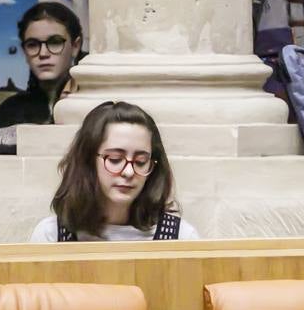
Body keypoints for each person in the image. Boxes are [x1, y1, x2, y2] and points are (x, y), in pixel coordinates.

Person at [29, 102, 198, 242]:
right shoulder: (51, 235)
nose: (129, 172)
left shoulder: (181, 237)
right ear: (88, 161)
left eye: (141, 162)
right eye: (115, 159)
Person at [0, 2, 85, 129]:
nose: (43, 53)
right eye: (32, 44)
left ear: (75, 46)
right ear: (24, 51)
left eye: (55, 42)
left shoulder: (91, 103)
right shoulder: (10, 110)